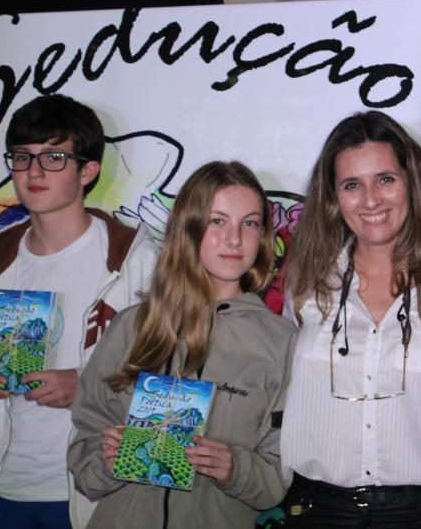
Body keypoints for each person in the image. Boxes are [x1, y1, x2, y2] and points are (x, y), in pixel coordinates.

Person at [0, 94, 158, 529]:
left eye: (54, 157)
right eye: (23, 157)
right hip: (6, 488)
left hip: (100, 492)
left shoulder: (134, 259)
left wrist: (85, 388)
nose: (34, 172)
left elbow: (173, 381)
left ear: (89, 170)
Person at [280, 111, 421, 527]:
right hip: (318, 512)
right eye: (352, 185)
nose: (370, 200)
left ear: (413, 183)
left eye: (385, 179)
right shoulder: (306, 283)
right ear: (333, 197)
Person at [67, 161, 295, 528]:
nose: (234, 238)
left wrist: (235, 468)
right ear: (188, 227)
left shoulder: (282, 344)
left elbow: (279, 478)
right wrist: (106, 462)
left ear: (264, 235)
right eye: (217, 220)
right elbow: (84, 458)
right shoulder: (131, 327)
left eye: (249, 223)